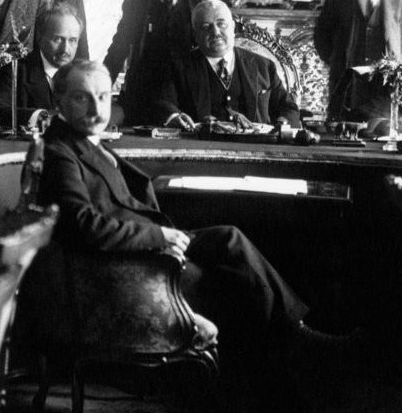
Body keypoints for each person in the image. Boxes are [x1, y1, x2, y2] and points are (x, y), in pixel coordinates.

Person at [39, 59, 343, 411]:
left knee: (230, 239)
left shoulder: (84, 142)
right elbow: (81, 225)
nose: (96, 108)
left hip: (144, 245)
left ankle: (296, 337)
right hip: (127, 267)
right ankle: (284, 376)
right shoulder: (60, 152)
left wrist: (162, 233)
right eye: (82, 98)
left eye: (103, 97)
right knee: (238, 287)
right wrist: (159, 239)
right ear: (59, 101)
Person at [103, 0, 216, 126]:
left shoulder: (205, 3)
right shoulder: (136, 2)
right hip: (141, 100)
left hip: (190, 102)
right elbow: (118, 50)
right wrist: (99, 91)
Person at [154, 0, 303, 127]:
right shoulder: (178, 66)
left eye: (221, 24)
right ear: (195, 34)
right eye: (206, 27)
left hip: (254, 147)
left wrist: (283, 124)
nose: (215, 32)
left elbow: (289, 108)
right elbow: (164, 103)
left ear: (232, 27)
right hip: (202, 147)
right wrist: (174, 117)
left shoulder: (263, 65)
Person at [0, 3, 83, 119]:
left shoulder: (82, 75)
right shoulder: (16, 71)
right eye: (58, 39)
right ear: (39, 37)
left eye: (72, 40)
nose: (65, 49)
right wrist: (40, 116)